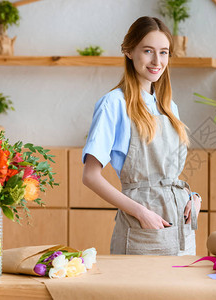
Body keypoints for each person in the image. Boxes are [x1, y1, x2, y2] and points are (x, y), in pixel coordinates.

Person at [82, 16, 201, 256]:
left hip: (182, 228)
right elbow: (90, 177)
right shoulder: (114, 104)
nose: (157, 61)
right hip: (142, 229)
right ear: (128, 51)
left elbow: (167, 175)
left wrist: (191, 198)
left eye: (164, 52)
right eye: (148, 51)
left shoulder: (169, 107)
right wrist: (141, 213)